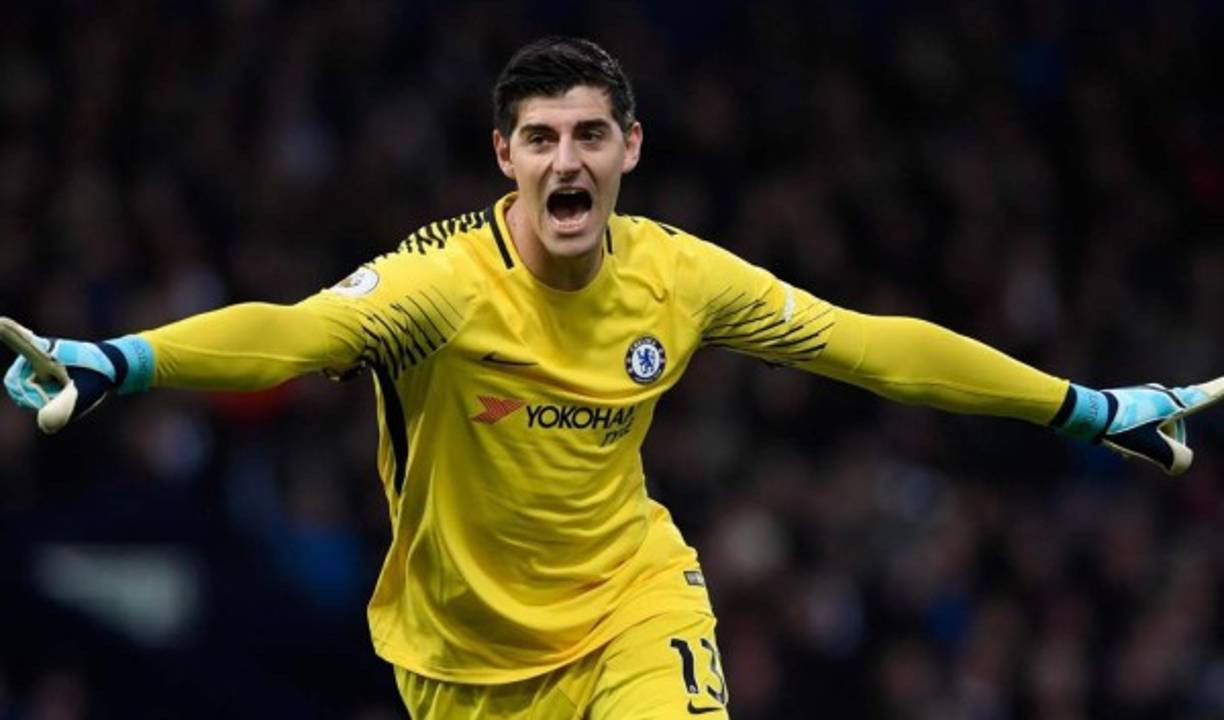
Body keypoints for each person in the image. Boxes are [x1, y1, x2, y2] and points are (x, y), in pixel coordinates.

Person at [3, 36, 1221, 719]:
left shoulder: (678, 277)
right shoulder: (442, 285)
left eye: (591, 133)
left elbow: (870, 342)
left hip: (631, 612)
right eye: (541, 137)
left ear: (629, 149)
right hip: (462, 664)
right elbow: (294, 334)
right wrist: (124, 362)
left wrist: (1085, 406)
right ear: (506, 157)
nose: (566, 158)